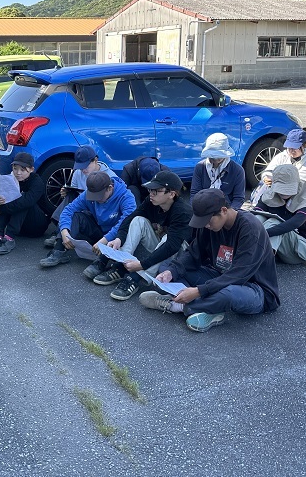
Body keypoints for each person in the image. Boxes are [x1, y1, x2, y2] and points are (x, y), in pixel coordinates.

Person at [139, 188, 280, 333]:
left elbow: (239, 274)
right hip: (220, 277)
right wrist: (171, 272)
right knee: (168, 267)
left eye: (207, 221)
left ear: (223, 210)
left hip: (253, 288)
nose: (206, 225)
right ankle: (209, 308)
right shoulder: (209, 225)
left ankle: (177, 305)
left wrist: (199, 291)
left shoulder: (250, 228)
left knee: (228, 294)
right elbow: (193, 254)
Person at [93, 170, 193, 302]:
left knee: (167, 239)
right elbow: (130, 218)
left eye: (156, 191)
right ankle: (121, 265)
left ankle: (135, 278)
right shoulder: (151, 202)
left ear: (171, 194)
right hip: (162, 245)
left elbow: (172, 246)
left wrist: (142, 265)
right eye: (150, 189)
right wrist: (119, 238)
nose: (151, 193)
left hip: (181, 253)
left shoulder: (182, 212)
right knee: (138, 220)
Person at [40, 171, 136, 277]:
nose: (96, 199)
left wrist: (105, 240)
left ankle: (100, 262)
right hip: (97, 229)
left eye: (99, 196)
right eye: (93, 196)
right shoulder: (88, 194)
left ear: (109, 188)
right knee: (76, 216)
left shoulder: (126, 196)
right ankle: (59, 249)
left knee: (126, 229)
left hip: (114, 236)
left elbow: (126, 222)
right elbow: (68, 210)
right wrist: (64, 232)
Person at [43, 144, 116, 247]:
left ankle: (59, 236)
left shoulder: (110, 177)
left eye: (85, 166)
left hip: (98, 211)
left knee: (74, 203)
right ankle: (61, 233)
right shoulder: (78, 173)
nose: (83, 170)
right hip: (81, 205)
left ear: (95, 160)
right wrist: (66, 193)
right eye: (80, 167)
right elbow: (74, 194)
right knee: (70, 195)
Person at [254, 164, 306, 264]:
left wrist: (262, 233)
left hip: (302, 249)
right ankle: (245, 253)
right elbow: (255, 215)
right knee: (258, 218)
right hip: (280, 245)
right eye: (281, 189)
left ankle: (261, 260)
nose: (284, 193)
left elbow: (293, 224)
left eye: (288, 189)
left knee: (275, 221)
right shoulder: (269, 194)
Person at [0, 152, 51, 255]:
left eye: (22, 170)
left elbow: (26, 202)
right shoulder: (10, 178)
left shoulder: (37, 182)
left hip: (36, 225)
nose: (18, 173)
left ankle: (9, 238)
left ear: (31, 169)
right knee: (4, 198)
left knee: (21, 200)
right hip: (20, 227)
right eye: (15, 169)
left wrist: (1, 209)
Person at [258, 128, 306, 199]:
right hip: (281, 192)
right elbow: (269, 171)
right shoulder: (282, 156)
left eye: (295, 148)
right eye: (289, 147)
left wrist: (294, 188)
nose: (291, 151)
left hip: (303, 194)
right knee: (264, 200)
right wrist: (267, 177)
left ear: (305, 145)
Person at [190, 132, 246, 208]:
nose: (216, 159)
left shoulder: (237, 170)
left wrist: (228, 212)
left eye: (219, 156)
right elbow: (194, 193)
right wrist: (196, 209)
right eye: (212, 156)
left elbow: (238, 199)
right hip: (203, 208)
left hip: (227, 209)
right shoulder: (200, 167)